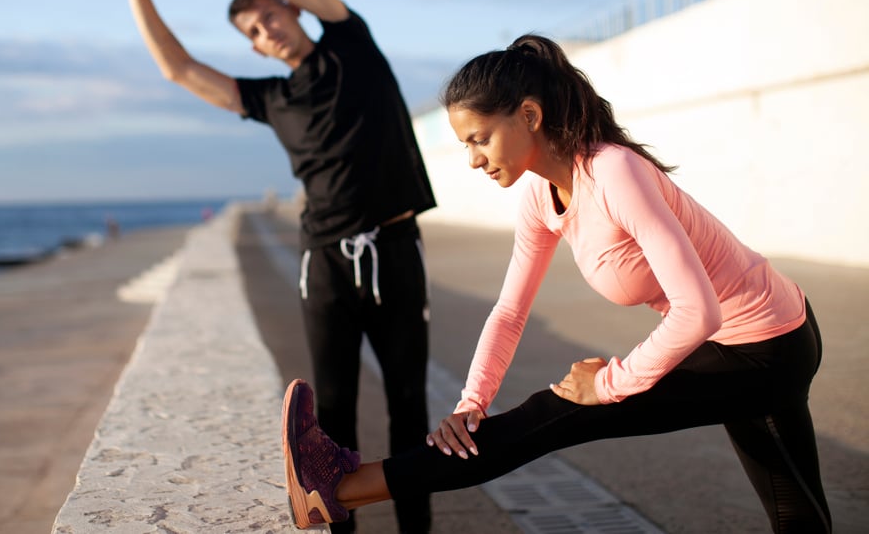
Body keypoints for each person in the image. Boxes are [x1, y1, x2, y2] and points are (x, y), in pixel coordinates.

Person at [281, 35, 832, 533]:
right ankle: (338, 489)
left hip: (765, 346)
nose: (473, 159)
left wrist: (611, 383)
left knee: (553, 414)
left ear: (528, 115)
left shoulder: (613, 171)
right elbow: (510, 311)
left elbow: (698, 311)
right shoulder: (542, 197)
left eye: (480, 139)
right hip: (747, 339)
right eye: (465, 146)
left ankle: (339, 488)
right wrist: (473, 401)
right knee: (798, 514)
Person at [120, 0, 437, 533]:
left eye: (271, 14)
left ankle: (417, 529)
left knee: (409, 407)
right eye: (255, 33)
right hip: (324, 263)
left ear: (293, 8)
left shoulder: (352, 44)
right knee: (335, 415)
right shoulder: (271, 99)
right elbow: (177, 67)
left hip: (394, 247)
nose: (268, 30)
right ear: (256, 50)